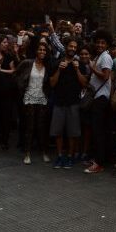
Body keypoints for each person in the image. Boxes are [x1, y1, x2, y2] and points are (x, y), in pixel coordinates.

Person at [50, 38, 87, 169]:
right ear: (66, 47)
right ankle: (60, 156)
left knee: (73, 133)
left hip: (73, 102)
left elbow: (84, 84)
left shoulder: (80, 64)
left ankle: (70, 157)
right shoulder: (57, 62)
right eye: (70, 46)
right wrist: (59, 70)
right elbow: (52, 83)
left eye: (74, 47)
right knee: (58, 132)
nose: (72, 48)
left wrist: (77, 70)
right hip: (59, 101)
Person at [16, 43, 52, 165]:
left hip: (41, 98)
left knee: (41, 127)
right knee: (29, 126)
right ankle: (27, 153)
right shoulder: (27, 63)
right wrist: (22, 88)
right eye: (40, 49)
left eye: (44, 50)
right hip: (29, 97)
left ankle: (44, 152)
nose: (42, 51)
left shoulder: (47, 66)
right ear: (36, 51)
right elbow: (17, 73)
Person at [84, 30, 113, 174]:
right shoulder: (99, 56)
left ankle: (99, 163)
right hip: (97, 97)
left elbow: (105, 76)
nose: (100, 45)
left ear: (107, 44)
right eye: (98, 42)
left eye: (103, 43)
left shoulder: (106, 57)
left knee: (98, 131)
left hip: (101, 98)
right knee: (96, 130)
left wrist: (93, 68)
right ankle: (97, 159)